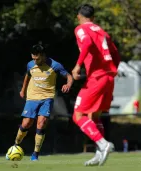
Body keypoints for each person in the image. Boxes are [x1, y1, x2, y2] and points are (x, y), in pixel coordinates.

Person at [72, 4, 120, 166]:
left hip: (97, 78)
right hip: (108, 77)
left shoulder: (80, 29)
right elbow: (115, 54)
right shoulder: (102, 31)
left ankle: (103, 144)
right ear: (93, 18)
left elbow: (87, 44)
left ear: (79, 16)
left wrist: (78, 66)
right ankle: (100, 153)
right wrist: (112, 72)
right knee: (94, 116)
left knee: (78, 116)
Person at [12, 44, 73, 161]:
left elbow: (69, 76)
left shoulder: (55, 65)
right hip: (32, 97)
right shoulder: (30, 65)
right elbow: (27, 76)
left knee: (41, 122)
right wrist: (23, 90)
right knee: (26, 123)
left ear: (43, 56)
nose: (35, 61)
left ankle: (35, 154)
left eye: (37, 59)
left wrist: (68, 84)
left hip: (47, 97)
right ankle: (16, 145)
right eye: (33, 58)